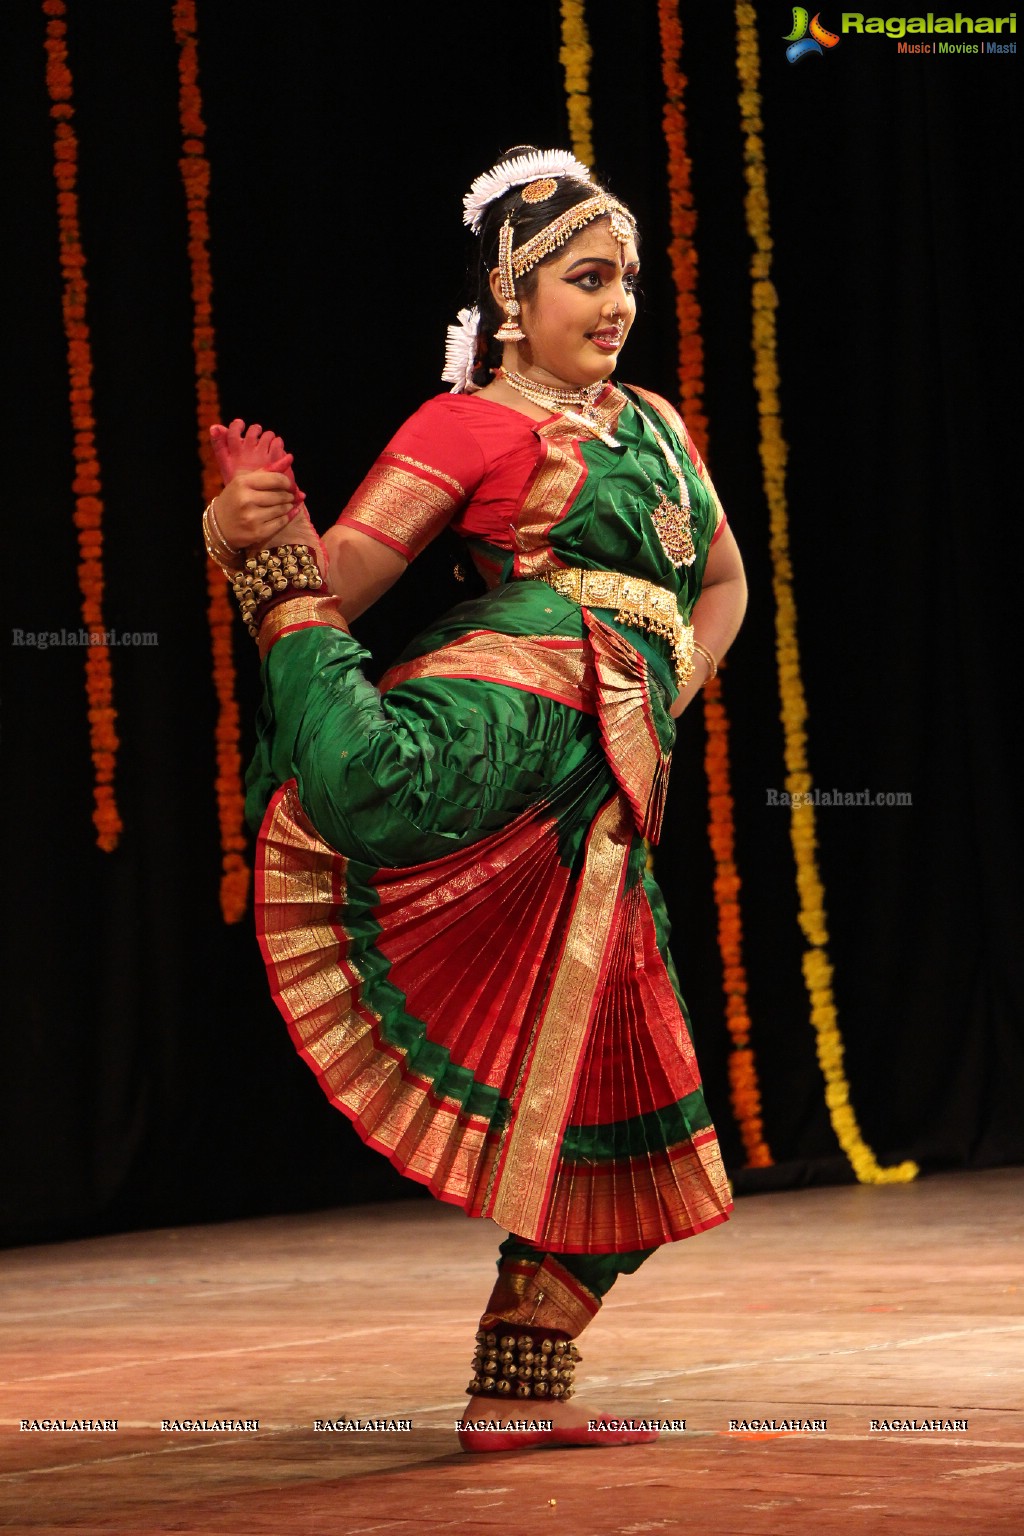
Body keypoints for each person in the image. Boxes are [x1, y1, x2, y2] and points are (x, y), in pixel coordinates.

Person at [203, 147, 747, 1453]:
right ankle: (274, 619)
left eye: (625, 280)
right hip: (508, 714)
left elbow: (723, 583)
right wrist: (257, 545)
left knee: (638, 1101)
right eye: (587, 280)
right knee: (369, 785)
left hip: (609, 789)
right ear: (513, 296)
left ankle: (518, 1381)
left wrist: (657, 690)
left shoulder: (658, 427)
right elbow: (344, 574)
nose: (617, 306)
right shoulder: (466, 426)